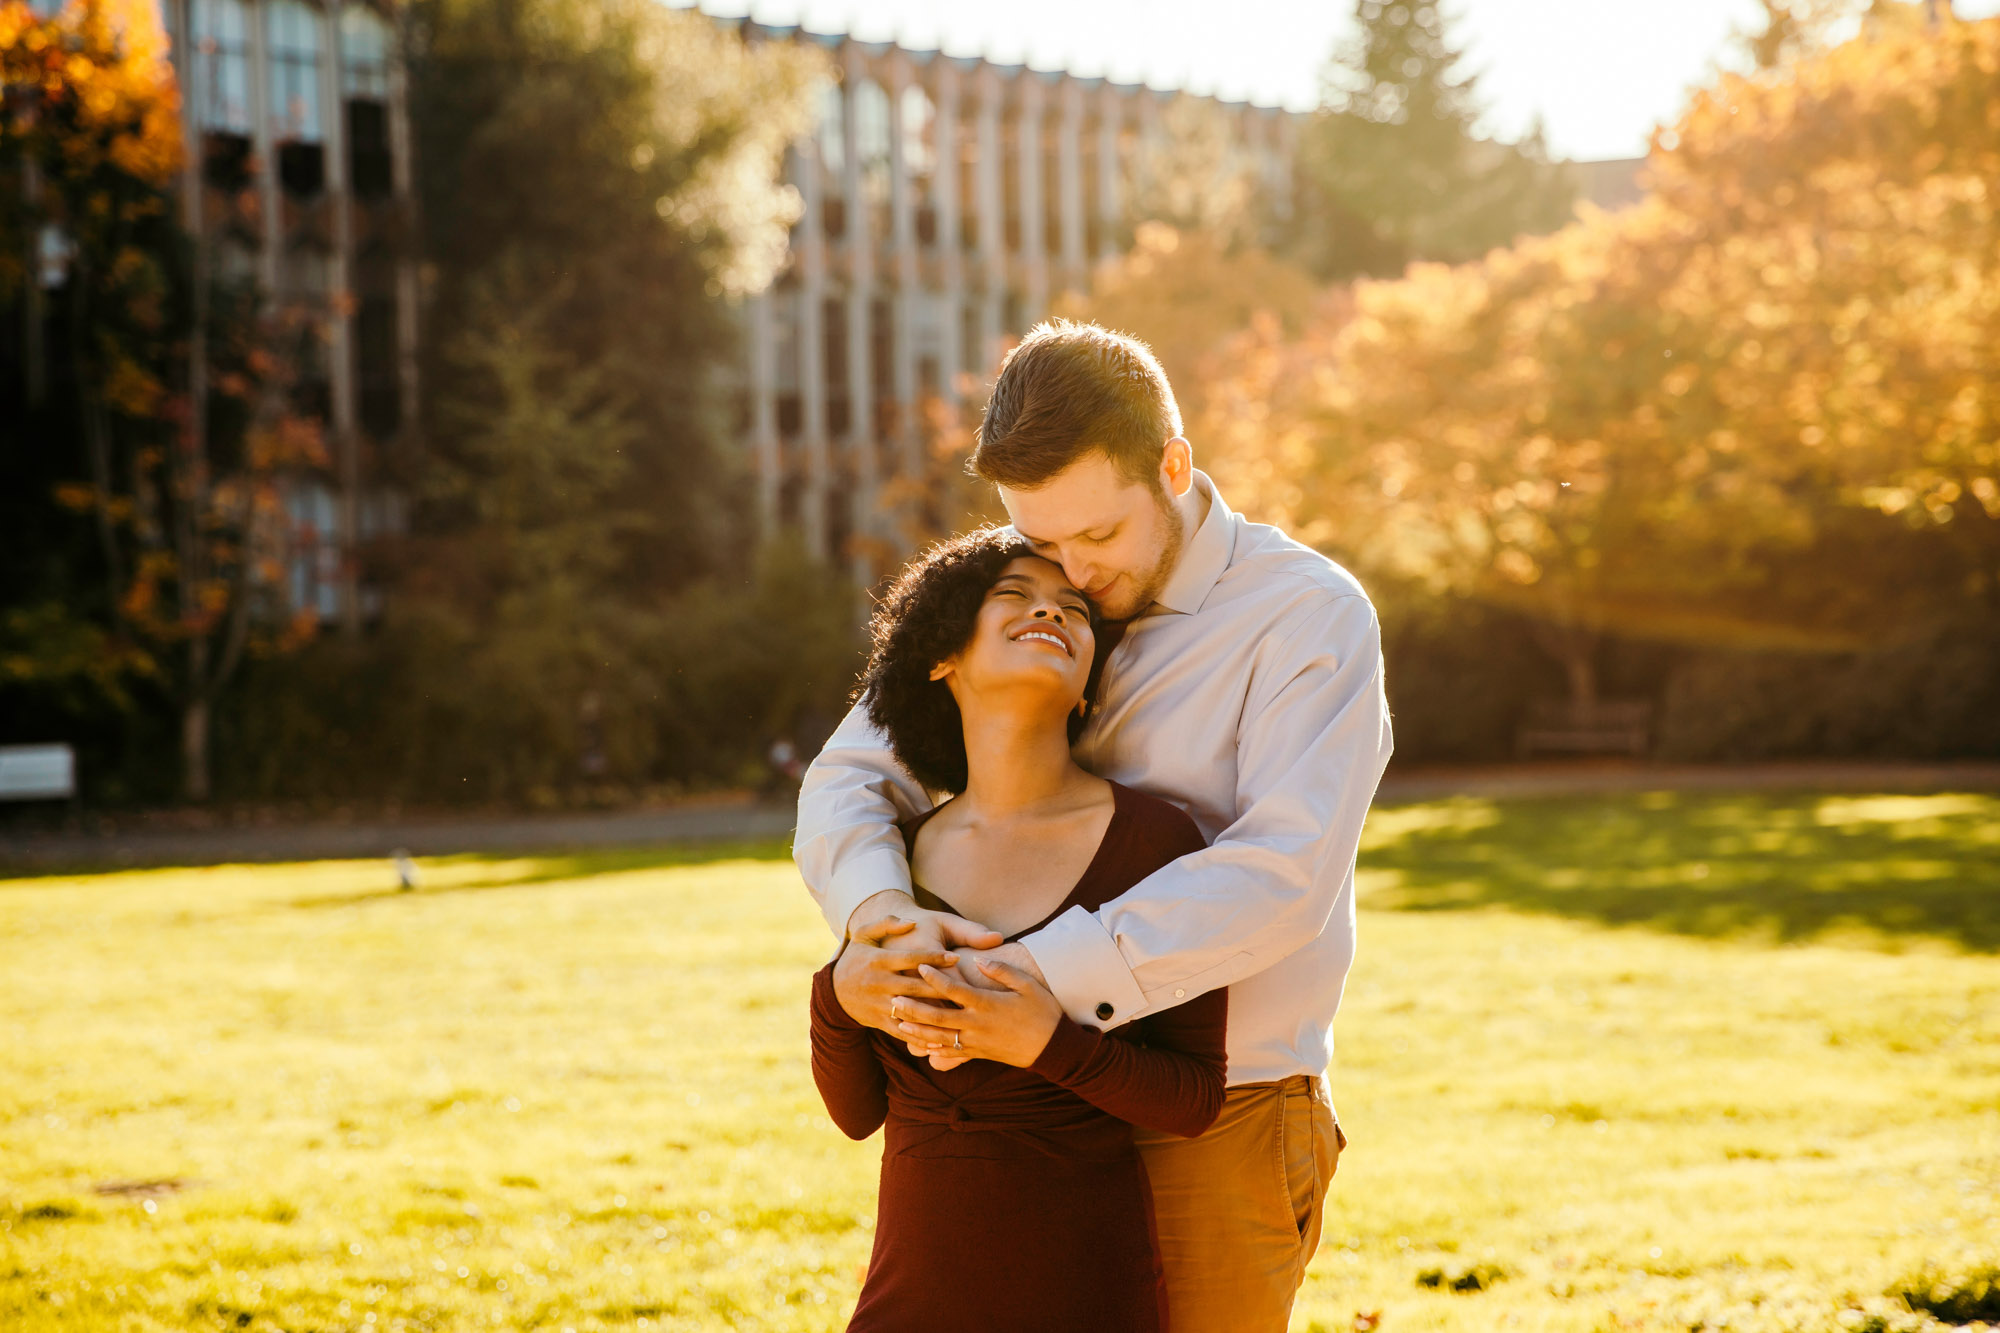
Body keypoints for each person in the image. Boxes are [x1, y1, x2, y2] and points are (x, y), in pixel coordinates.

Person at [797, 319, 1394, 1331]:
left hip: (1226, 1105)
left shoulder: (1304, 616)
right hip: (1021, 1117)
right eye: (1039, 541)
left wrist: (1030, 979)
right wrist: (880, 917)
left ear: (1171, 465)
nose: (1066, 574)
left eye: (1096, 536)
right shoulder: (1025, 593)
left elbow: (1282, 872)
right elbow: (854, 772)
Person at [809, 527, 1228, 1331]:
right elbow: (857, 1113)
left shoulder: (1157, 842)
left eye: (1074, 608)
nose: (1051, 609)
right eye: (1015, 595)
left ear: (1084, 689)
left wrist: (1050, 1044)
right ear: (941, 656)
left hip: (1087, 1299)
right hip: (907, 1305)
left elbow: (1193, 1097)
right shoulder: (895, 859)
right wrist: (835, 996)